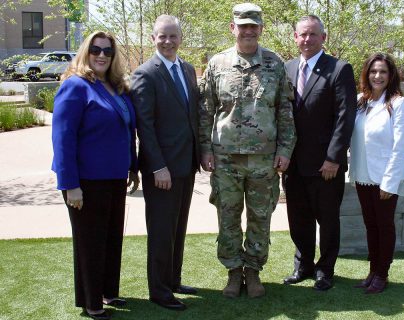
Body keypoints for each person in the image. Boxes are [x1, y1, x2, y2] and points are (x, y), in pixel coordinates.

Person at [199, 3, 296, 298]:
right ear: (233, 28)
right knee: (228, 218)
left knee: (260, 217)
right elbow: (206, 110)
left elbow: (285, 111)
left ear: (261, 29)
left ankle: (252, 272)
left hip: (264, 159)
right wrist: (205, 148)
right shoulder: (217, 64)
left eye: (254, 26)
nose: (248, 31)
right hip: (225, 158)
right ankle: (232, 272)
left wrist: (285, 150)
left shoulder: (274, 63)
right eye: (243, 26)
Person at [52, 31, 139, 320]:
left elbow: (128, 131)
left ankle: (108, 292)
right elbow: (63, 139)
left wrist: (132, 166)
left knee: (112, 238)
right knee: (91, 242)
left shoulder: (117, 87)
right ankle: (92, 303)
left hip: (115, 178)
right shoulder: (75, 86)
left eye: (108, 51)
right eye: (96, 49)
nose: (101, 55)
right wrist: (70, 185)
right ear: (86, 52)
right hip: (86, 182)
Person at [130, 15, 200, 311]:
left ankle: (173, 280)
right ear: (153, 39)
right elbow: (144, 125)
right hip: (162, 169)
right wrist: (158, 166)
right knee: (161, 230)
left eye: (173, 36)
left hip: (187, 164)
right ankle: (159, 290)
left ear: (180, 38)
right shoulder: (145, 73)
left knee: (178, 227)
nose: (168, 41)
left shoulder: (187, 69)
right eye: (162, 36)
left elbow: (191, 116)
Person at [282, 15, 356, 291]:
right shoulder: (287, 68)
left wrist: (334, 158)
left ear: (323, 38)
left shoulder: (339, 69)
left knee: (327, 220)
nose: (307, 39)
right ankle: (303, 265)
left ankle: (325, 269)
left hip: (326, 165)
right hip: (293, 164)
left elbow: (345, 117)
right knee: (297, 219)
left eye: (313, 34)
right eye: (302, 34)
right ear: (295, 37)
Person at [350, 53, 404, 294]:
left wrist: (390, 181)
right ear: (367, 73)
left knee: (384, 225)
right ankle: (372, 271)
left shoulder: (398, 104)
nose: (377, 76)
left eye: (383, 72)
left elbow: (400, 147)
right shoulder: (360, 102)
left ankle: (382, 274)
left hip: (385, 178)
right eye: (373, 71)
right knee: (371, 225)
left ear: (391, 75)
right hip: (363, 176)